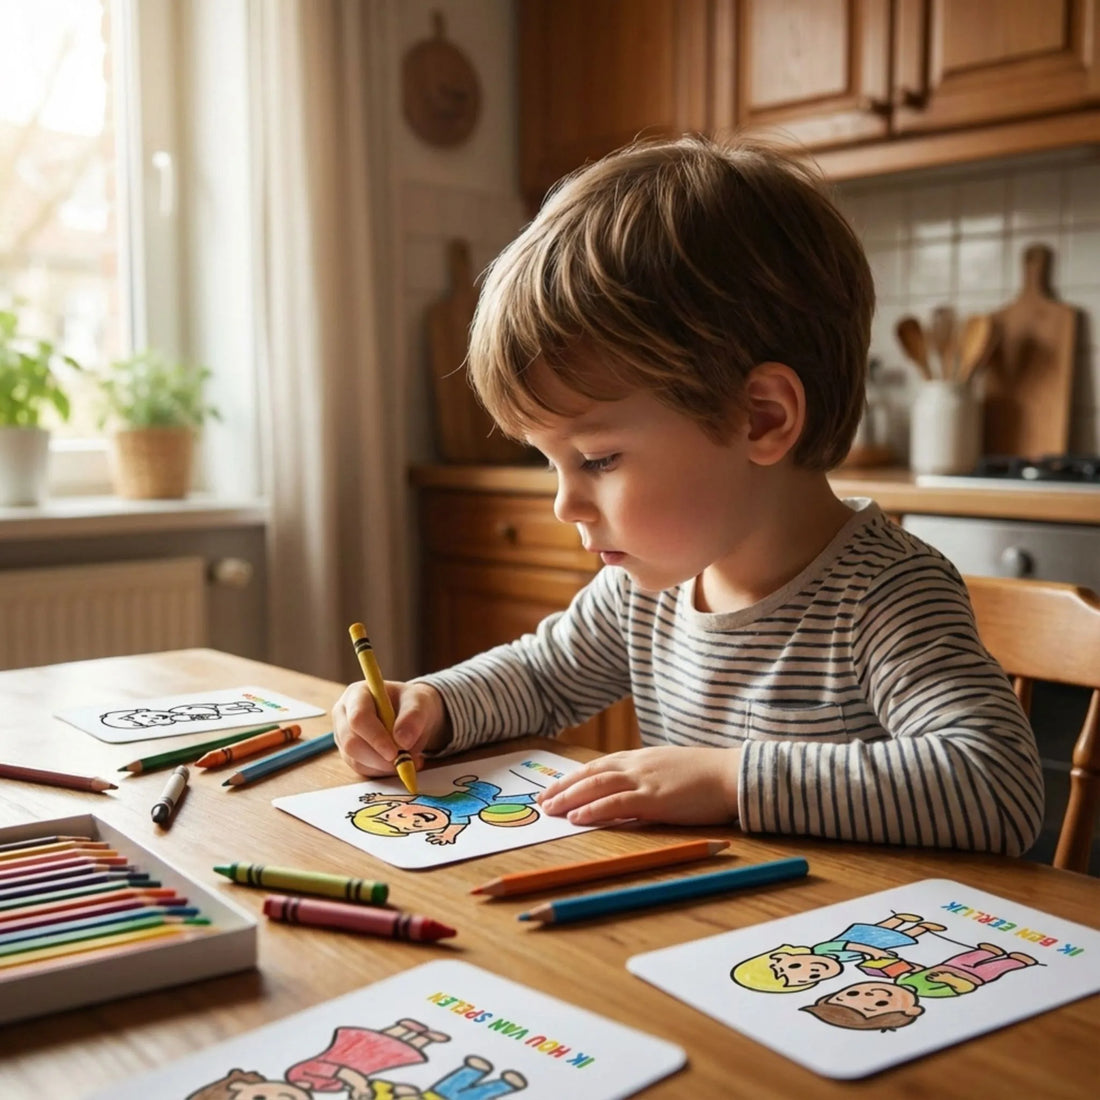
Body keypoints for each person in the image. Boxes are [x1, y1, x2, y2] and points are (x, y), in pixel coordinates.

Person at [333, 135, 1043, 855]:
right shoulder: (647, 591)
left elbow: (998, 786)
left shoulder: (885, 599)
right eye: (551, 464)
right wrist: (434, 705)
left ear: (760, 418)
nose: (564, 504)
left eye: (599, 458)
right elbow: (543, 675)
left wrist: (731, 780)